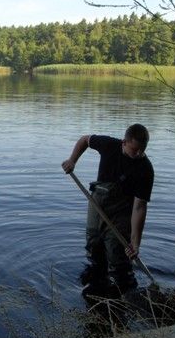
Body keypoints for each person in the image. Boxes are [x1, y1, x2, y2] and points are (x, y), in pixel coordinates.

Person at [61, 123, 154, 296]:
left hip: (121, 215)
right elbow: (85, 140)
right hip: (97, 206)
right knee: (94, 250)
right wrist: (72, 160)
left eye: (142, 150)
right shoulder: (109, 145)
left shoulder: (145, 169)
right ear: (124, 143)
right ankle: (96, 291)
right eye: (135, 150)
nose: (139, 154)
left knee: (118, 260)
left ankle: (125, 296)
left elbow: (139, 208)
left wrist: (135, 243)